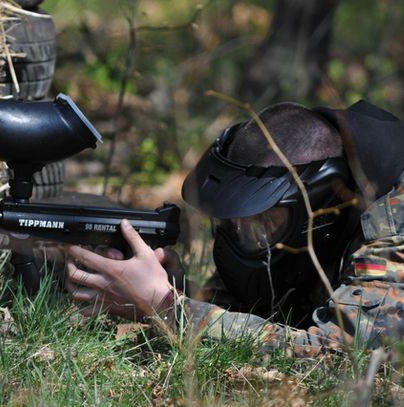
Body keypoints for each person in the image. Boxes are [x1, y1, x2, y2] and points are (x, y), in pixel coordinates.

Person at [65, 100, 404, 355]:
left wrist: (168, 308)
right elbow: (264, 306)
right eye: (235, 221)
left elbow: (339, 355)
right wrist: (178, 288)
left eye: (264, 221)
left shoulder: (391, 229)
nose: (245, 235)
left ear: (321, 206)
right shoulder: (314, 217)